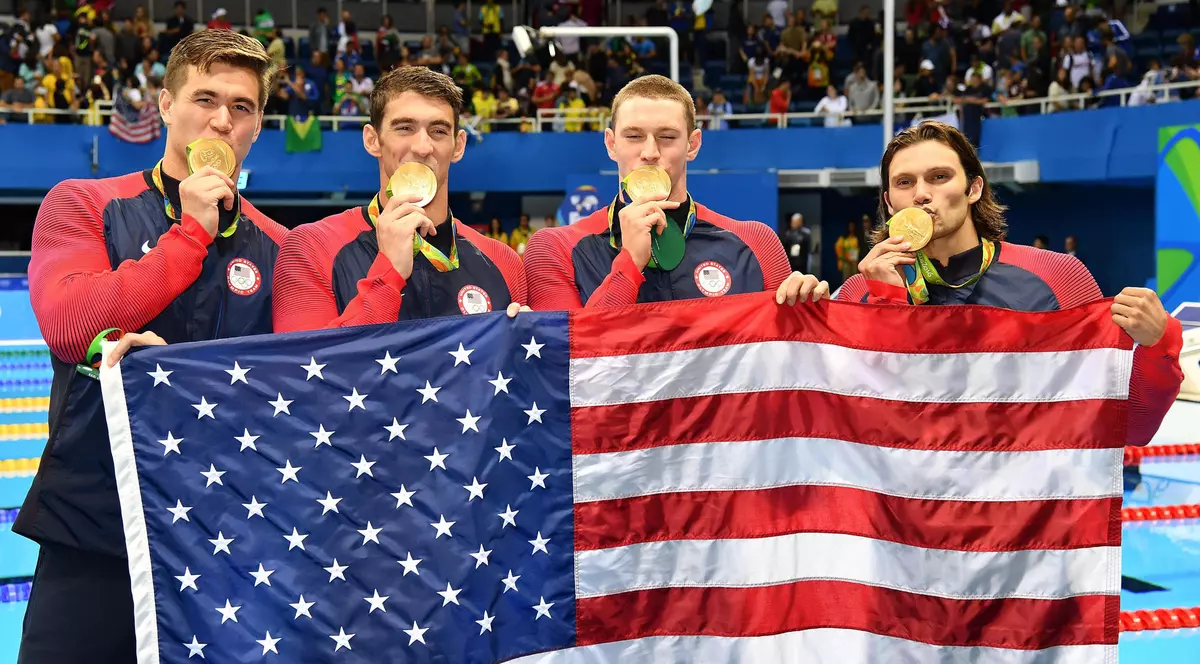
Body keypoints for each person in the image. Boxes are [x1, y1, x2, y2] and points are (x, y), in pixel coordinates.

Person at [15, 29, 286, 662]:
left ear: (257, 126)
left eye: (242, 107)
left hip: (223, 537)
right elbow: (70, 325)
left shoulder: (281, 247)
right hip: (95, 524)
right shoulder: (83, 203)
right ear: (165, 104)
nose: (221, 120)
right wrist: (190, 233)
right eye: (205, 97)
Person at [839, 120, 1182, 445]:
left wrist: (1159, 343)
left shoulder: (1058, 277)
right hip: (903, 505)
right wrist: (881, 303)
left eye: (939, 176)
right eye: (904, 183)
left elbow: (1129, 427)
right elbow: (858, 421)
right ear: (889, 202)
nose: (921, 194)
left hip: (1017, 503)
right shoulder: (859, 293)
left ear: (974, 189)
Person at [525, 74, 826, 309]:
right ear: (611, 144)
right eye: (633, 136)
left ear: (693, 145)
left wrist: (807, 313)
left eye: (667, 137)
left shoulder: (756, 244)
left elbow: (786, 368)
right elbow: (567, 367)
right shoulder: (555, 249)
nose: (650, 152)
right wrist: (629, 262)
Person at [272, 66, 527, 331]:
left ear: (458, 146)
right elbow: (305, 366)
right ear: (373, 140)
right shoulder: (312, 248)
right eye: (405, 128)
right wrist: (387, 275)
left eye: (438, 131)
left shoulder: (504, 262)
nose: (422, 147)